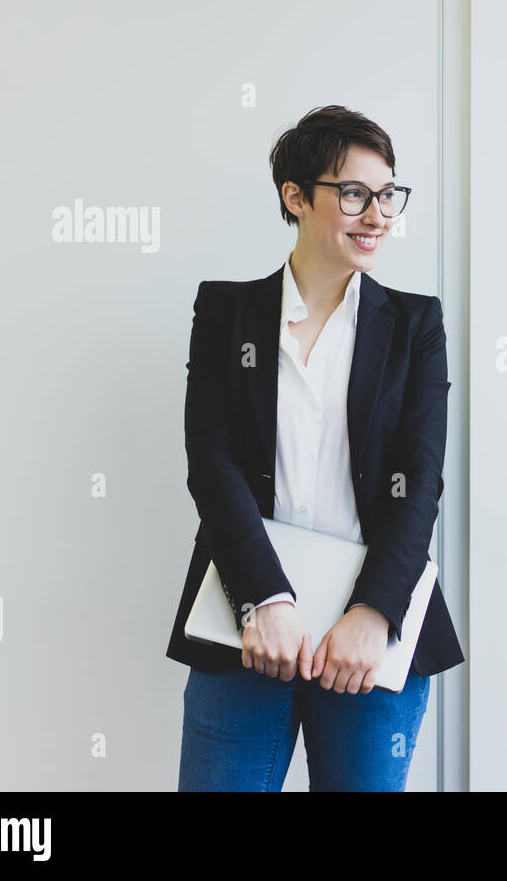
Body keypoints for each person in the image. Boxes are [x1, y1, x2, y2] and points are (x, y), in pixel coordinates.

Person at [165, 105, 464, 791]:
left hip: (371, 639)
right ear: (294, 197)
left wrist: (375, 613)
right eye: (354, 193)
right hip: (248, 627)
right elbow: (212, 464)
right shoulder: (225, 312)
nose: (378, 214)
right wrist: (264, 599)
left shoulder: (417, 324)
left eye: (388, 194)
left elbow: (421, 482)